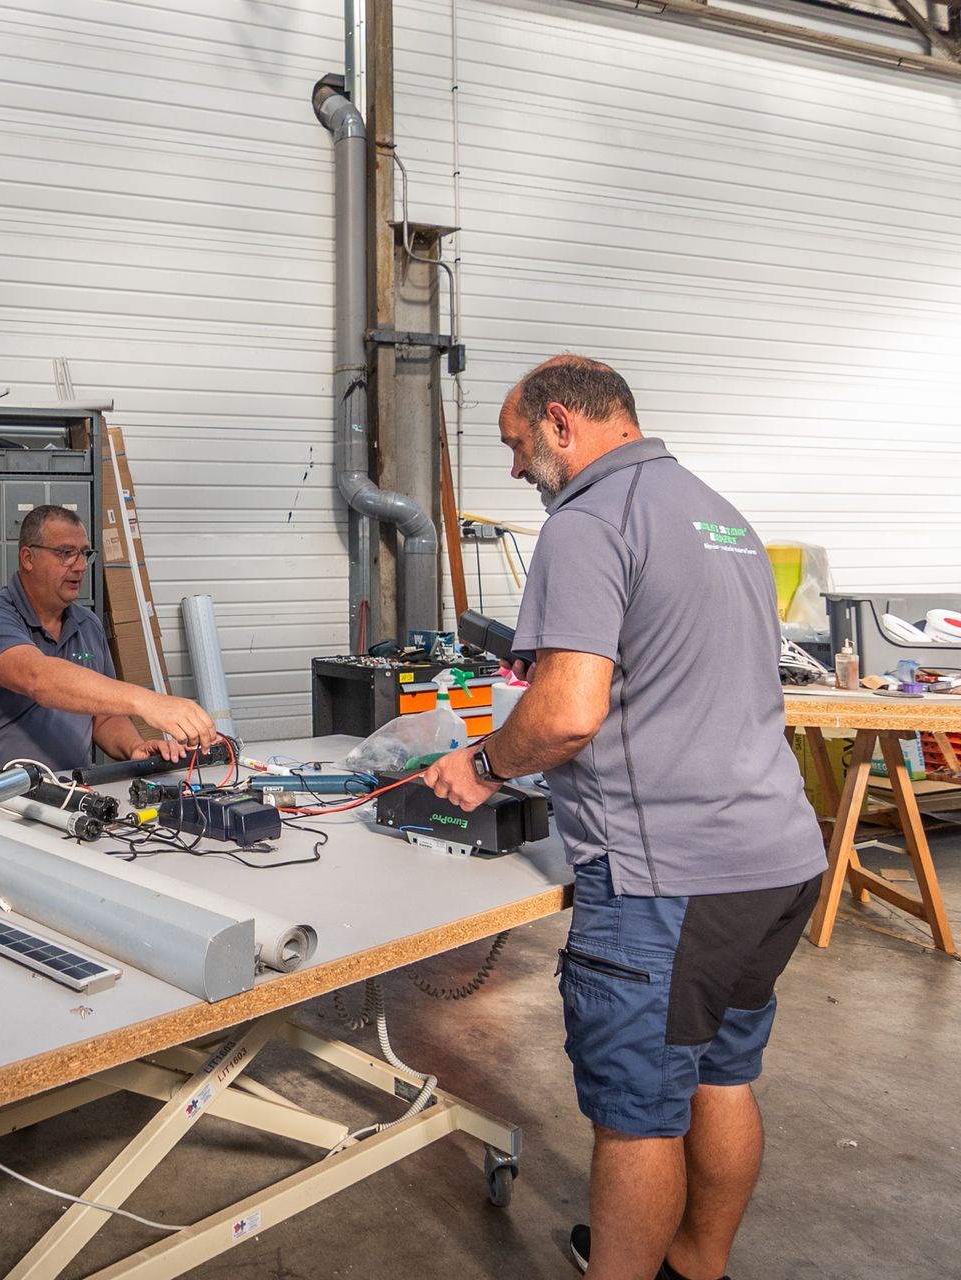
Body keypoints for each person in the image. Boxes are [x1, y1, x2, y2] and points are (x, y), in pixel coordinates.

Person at [419, 356, 825, 1280]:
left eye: (518, 447)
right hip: (775, 860)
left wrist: (481, 765)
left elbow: (565, 711)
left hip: (668, 879)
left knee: (638, 1113)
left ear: (562, 424)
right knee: (721, 1073)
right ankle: (697, 1266)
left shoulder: (589, 522)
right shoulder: (720, 515)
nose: (517, 470)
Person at [0, 504, 219, 779]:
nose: (80, 566)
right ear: (28, 558)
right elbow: (37, 677)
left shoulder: (88, 625)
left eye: (84, 553)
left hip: (67, 792)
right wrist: (148, 702)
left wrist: (134, 746)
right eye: (66, 553)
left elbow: (102, 718)